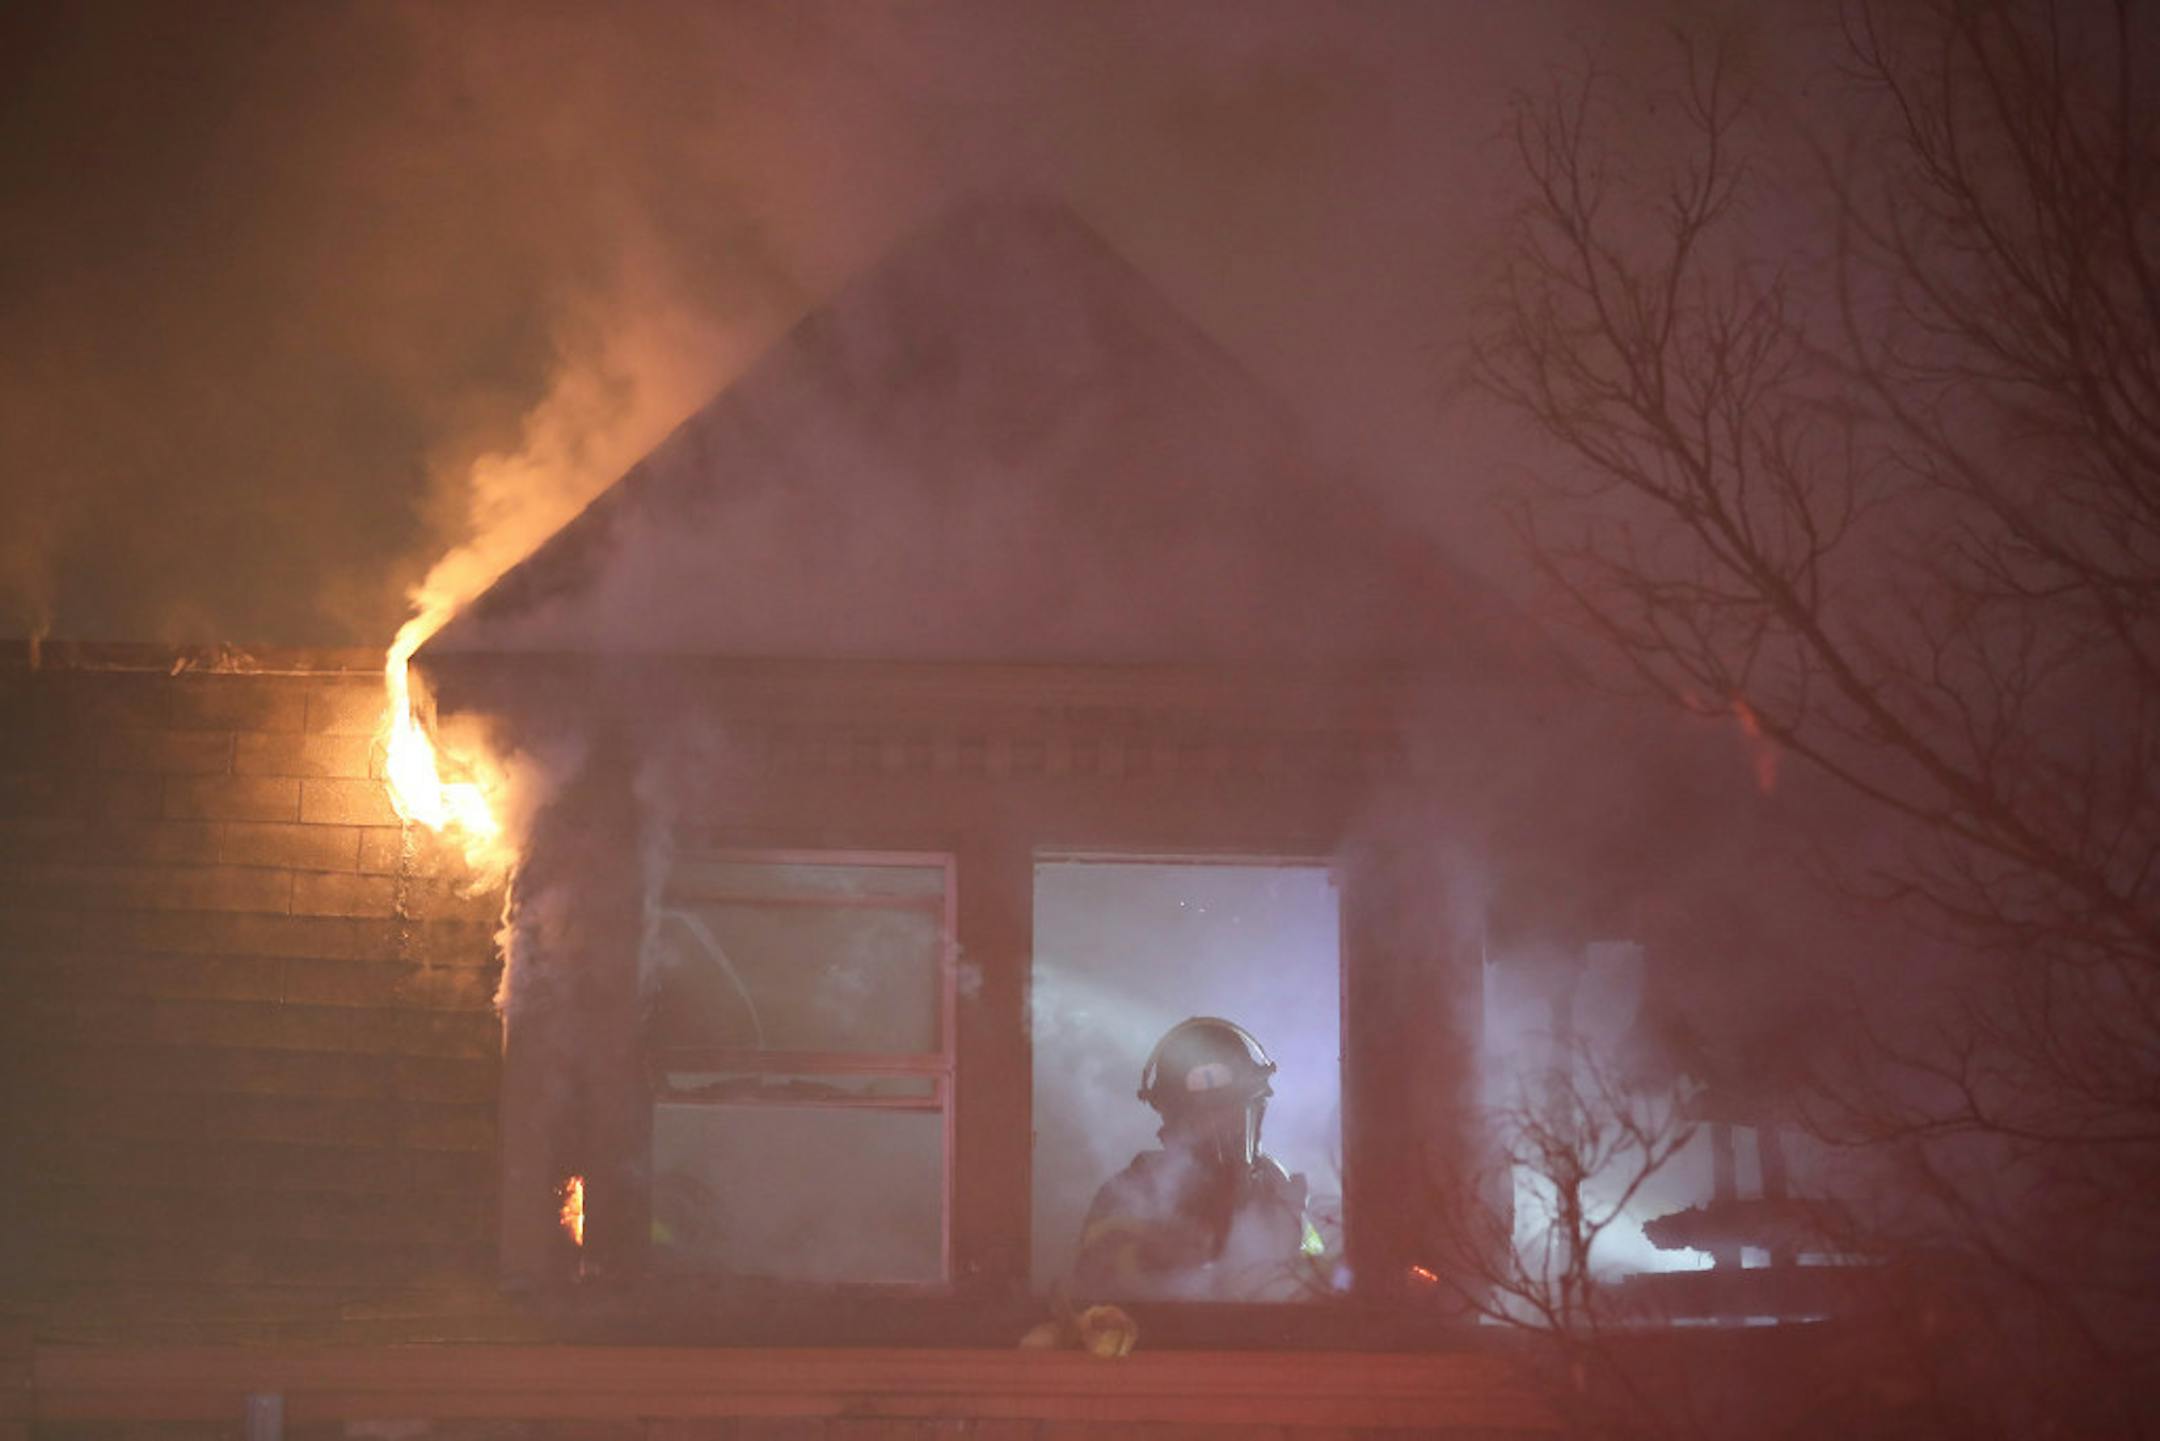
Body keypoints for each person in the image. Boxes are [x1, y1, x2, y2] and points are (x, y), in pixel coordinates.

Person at [1072, 1016, 1326, 1300]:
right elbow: (1090, 1291)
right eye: (1203, 1116)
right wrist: (1150, 1259)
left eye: (1235, 1108)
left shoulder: (1276, 1187)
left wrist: (1293, 1229)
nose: (1225, 1127)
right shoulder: (1130, 1195)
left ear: (1257, 1110)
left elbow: (1318, 1291)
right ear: (1172, 1118)